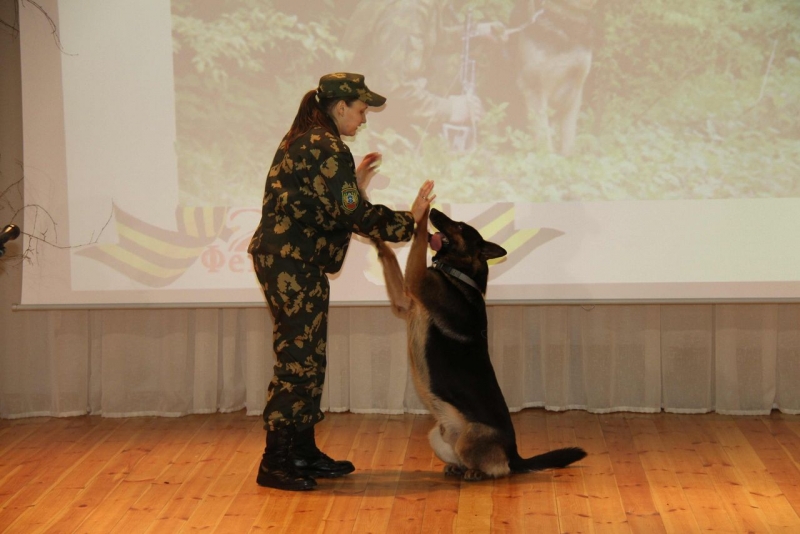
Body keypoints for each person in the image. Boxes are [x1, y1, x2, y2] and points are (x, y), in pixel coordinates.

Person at [248, 72, 435, 491]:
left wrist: (356, 183)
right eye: (362, 110)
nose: (364, 118)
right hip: (291, 262)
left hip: (292, 260)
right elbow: (352, 213)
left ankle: (301, 451)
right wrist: (410, 220)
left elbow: (327, 203)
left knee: (308, 358)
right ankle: (275, 462)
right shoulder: (325, 146)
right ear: (340, 107)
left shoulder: (308, 140)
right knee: (298, 361)